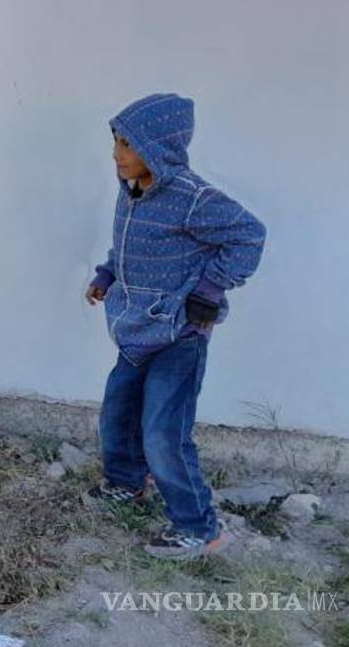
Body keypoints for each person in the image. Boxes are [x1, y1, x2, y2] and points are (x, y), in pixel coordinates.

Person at [84, 94, 267, 560]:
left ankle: (199, 527)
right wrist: (108, 275)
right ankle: (127, 483)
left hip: (180, 336)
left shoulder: (192, 197)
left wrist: (208, 292)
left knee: (163, 431)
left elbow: (249, 235)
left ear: (160, 147)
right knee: (118, 414)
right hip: (135, 329)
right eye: (116, 141)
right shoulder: (131, 192)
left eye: (128, 144)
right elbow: (124, 245)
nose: (116, 154)